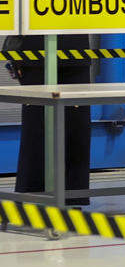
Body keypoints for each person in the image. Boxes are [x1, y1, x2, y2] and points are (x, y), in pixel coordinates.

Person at [9, 33, 94, 202]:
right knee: (36, 130)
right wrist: (15, 55)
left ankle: (72, 198)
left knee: (76, 131)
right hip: (34, 53)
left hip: (74, 54)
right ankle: (32, 197)